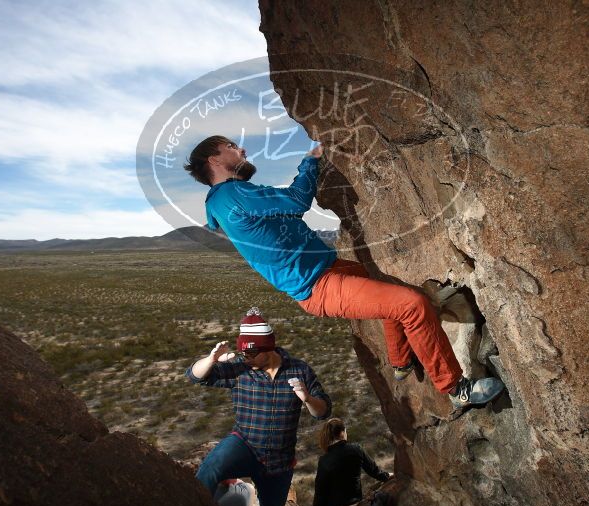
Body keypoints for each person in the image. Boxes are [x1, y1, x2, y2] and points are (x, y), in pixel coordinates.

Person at [183, 135, 504, 409]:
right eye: (232, 146)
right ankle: (455, 389)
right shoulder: (232, 194)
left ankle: (401, 361)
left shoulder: (220, 202)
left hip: (326, 269)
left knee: (390, 294)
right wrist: (312, 160)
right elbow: (295, 201)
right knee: (412, 304)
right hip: (319, 284)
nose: (242, 151)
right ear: (215, 159)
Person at [186, 307, 332, 506]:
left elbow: (323, 411)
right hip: (245, 444)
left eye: (253, 354)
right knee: (210, 468)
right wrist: (212, 359)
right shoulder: (241, 369)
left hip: (279, 460)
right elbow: (195, 376)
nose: (248, 359)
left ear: (269, 348)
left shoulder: (300, 370)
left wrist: (307, 398)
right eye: (244, 354)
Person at [310, 418, 391, 506]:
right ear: (343, 432)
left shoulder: (324, 460)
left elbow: (320, 491)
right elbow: (374, 471)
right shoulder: (356, 449)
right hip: (355, 503)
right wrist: (388, 476)